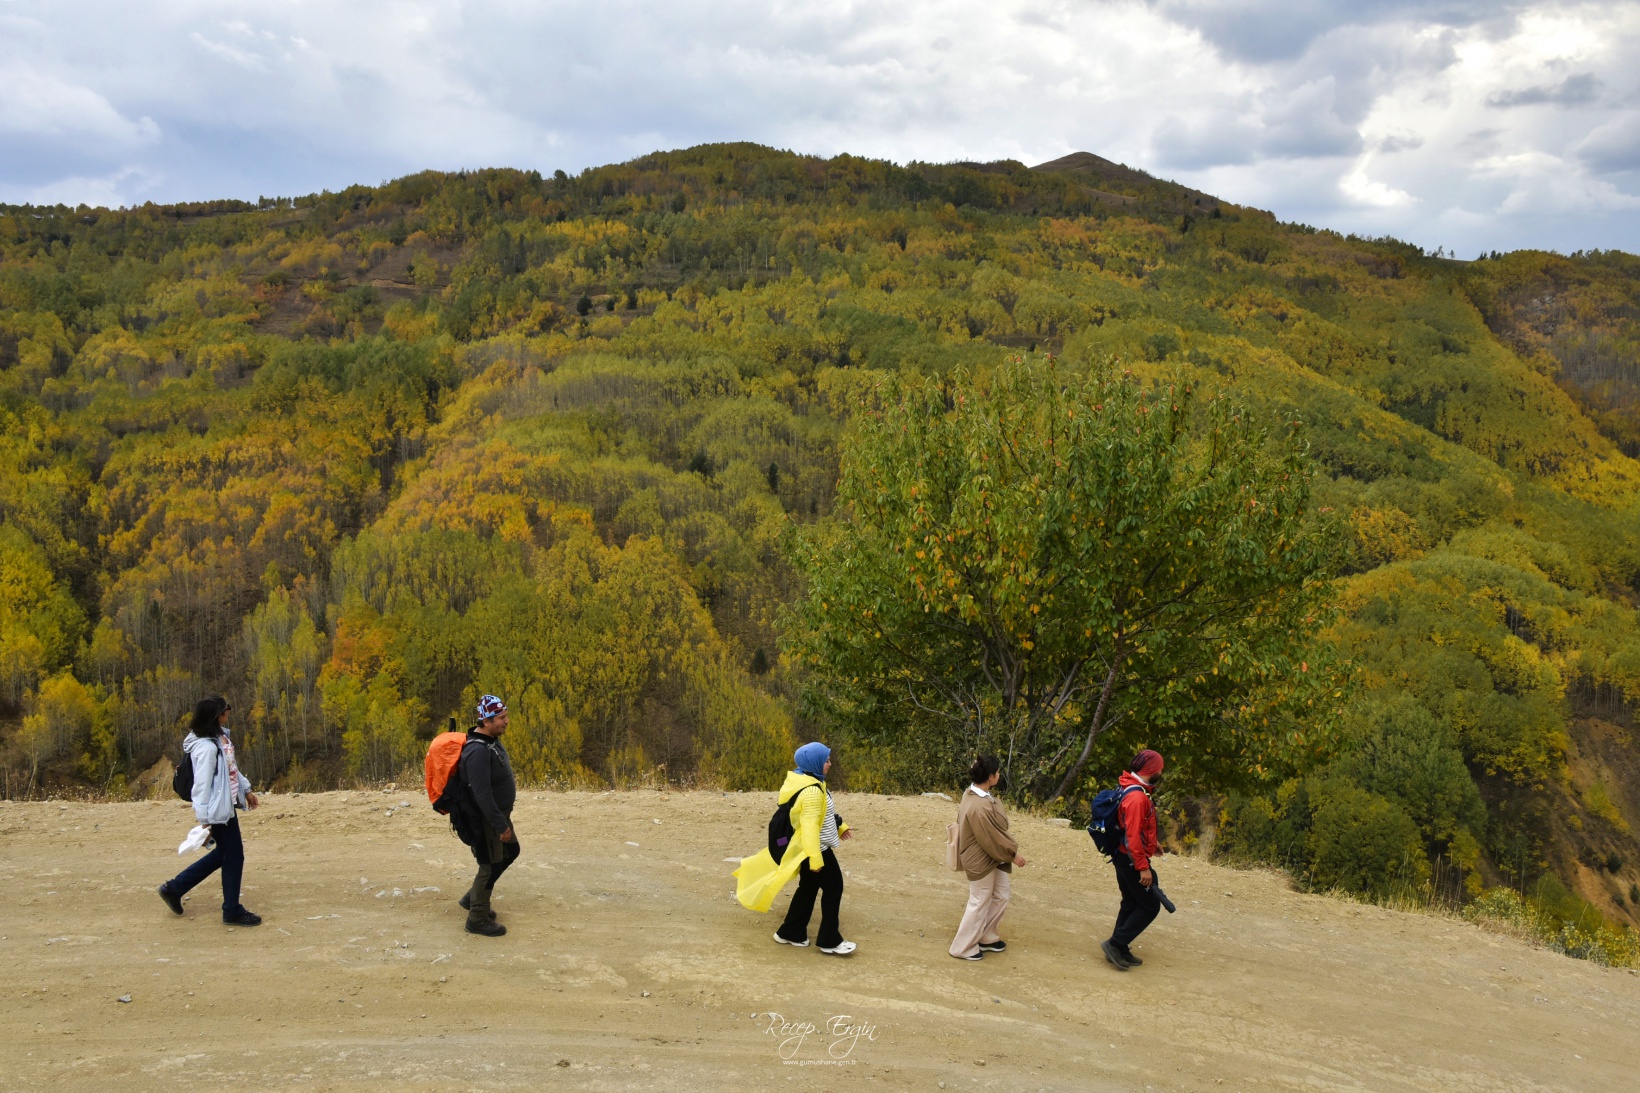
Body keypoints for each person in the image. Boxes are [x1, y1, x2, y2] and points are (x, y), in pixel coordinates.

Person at [734, 742, 857, 956]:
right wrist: (816, 860)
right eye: (826, 760)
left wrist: (840, 827)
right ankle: (829, 940)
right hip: (815, 850)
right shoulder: (810, 791)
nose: (830, 763)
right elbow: (809, 828)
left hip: (810, 850)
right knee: (834, 887)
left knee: (808, 889)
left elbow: (823, 816)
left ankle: (791, 932)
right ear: (816, 762)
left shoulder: (811, 781)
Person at [157, 696, 261, 926]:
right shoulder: (205, 747)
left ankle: (174, 888)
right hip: (217, 810)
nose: (229, 713)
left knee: (225, 854)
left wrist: (246, 790)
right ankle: (231, 910)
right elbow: (201, 786)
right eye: (227, 710)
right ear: (217, 716)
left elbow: (231, 769)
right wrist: (205, 819)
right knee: (234, 856)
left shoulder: (219, 739)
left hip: (225, 805)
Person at [454, 694, 519, 937]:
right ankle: (477, 918)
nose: (506, 721)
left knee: (510, 852)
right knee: (490, 865)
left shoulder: (491, 740)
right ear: (487, 720)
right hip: (487, 819)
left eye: (506, 716)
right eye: (501, 718)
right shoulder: (477, 751)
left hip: (498, 815)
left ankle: (472, 899)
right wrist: (500, 825)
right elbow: (482, 795)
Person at [950, 755, 1026, 960]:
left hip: (987, 858)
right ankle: (962, 947)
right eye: (997, 772)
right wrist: (1013, 855)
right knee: (979, 900)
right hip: (980, 860)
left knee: (1001, 894)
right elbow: (992, 838)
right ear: (991, 776)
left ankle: (986, 935)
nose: (999, 774)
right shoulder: (980, 806)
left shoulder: (975, 795)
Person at [1102, 748, 1165, 971]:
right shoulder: (1138, 797)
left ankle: (1120, 947)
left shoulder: (1130, 785)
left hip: (1122, 856)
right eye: (1159, 769)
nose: (1161, 772)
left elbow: (1133, 827)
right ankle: (1115, 943)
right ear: (1152, 770)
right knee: (1149, 906)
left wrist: (1152, 842)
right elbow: (1132, 836)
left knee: (1131, 901)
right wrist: (1143, 868)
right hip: (1130, 859)